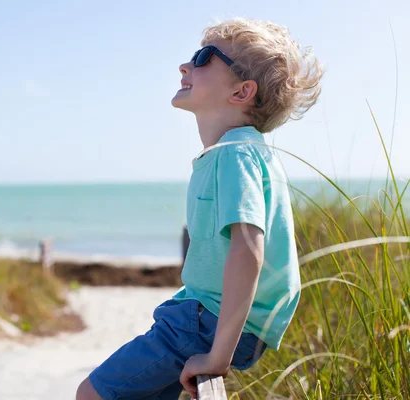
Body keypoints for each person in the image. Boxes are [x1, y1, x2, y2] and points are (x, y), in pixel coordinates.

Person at [76, 18, 324, 400]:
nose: (184, 66)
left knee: (91, 394)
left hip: (208, 323)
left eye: (204, 57)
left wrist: (217, 356)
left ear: (241, 91)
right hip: (209, 317)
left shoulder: (235, 154)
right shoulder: (241, 151)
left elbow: (248, 251)